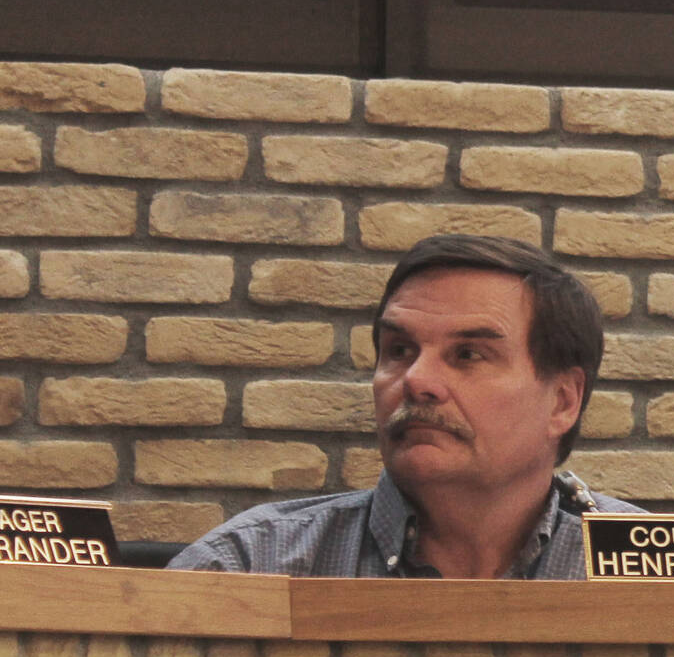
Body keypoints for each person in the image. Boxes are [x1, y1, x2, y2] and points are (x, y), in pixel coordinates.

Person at [172, 235, 638, 578]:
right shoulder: (248, 565)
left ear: (563, 401)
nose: (416, 380)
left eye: (468, 355)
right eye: (399, 351)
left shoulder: (658, 573)